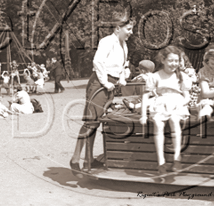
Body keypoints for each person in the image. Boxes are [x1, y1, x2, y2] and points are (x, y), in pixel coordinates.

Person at [70, 13, 134, 177]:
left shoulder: (124, 46)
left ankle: (89, 159)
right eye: (128, 29)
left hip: (110, 85)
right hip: (99, 83)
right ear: (118, 28)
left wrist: (121, 78)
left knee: (99, 122)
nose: (130, 32)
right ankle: (75, 159)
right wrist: (105, 82)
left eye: (131, 29)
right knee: (90, 122)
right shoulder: (107, 41)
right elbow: (98, 62)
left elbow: (122, 66)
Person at [139, 46, 191, 175]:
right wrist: (143, 115)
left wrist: (180, 104)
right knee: (157, 123)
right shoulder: (155, 76)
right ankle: (161, 161)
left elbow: (187, 96)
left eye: (176, 61)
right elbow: (145, 96)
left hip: (177, 104)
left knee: (174, 120)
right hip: (161, 104)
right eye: (171, 61)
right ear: (163, 60)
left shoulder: (181, 76)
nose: (174, 64)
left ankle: (177, 158)